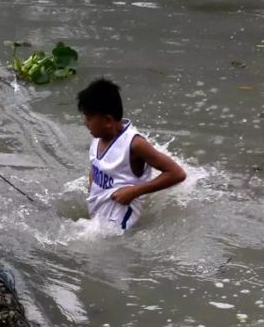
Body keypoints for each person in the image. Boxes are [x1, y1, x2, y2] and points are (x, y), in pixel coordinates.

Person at [78, 78, 186, 230]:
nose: (85, 123)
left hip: (121, 221)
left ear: (107, 120)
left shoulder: (134, 144)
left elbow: (177, 173)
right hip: (99, 213)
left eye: (89, 118)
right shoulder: (97, 137)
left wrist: (135, 191)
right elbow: (94, 166)